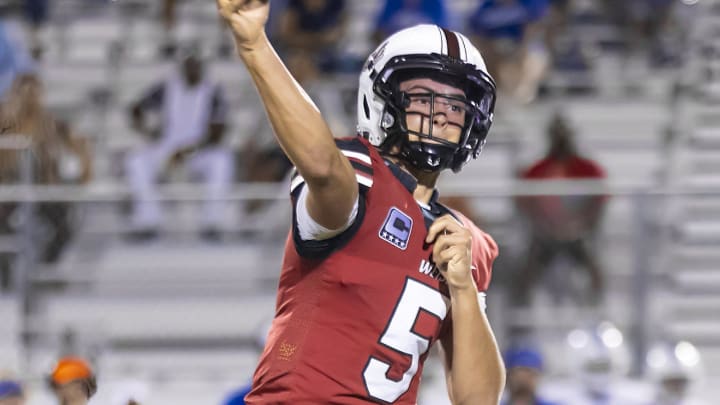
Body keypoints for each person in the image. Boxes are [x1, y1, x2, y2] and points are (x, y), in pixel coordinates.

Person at [217, 1, 504, 403]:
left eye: (456, 105)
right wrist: (254, 45)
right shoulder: (359, 175)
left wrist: (465, 289)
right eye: (424, 98)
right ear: (383, 101)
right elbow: (322, 167)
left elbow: (478, 401)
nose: (441, 115)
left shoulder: (466, 241)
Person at [124, 53, 233, 240]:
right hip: (167, 148)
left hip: (199, 151)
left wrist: (188, 151)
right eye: (188, 67)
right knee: (136, 161)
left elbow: (217, 134)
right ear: (182, 68)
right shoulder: (167, 88)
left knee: (222, 161)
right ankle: (148, 221)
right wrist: (147, 132)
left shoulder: (212, 92)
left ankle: (212, 222)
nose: (192, 71)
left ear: (202, 68)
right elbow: (135, 108)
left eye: (196, 67)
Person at [513, 113, 607, 308]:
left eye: (564, 135)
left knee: (595, 271)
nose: (561, 140)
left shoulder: (586, 168)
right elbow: (523, 200)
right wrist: (545, 225)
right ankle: (521, 321)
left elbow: (600, 198)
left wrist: (582, 224)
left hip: (579, 233)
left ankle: (595, 311)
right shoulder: (538, 169)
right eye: (557, 135)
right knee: (525, 274)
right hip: (545, 235)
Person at [276, 0, 348, 84]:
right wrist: (319, 39)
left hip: (327, 54)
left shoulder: (336, 3)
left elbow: (337, 34)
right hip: (297, 52)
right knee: (298, 63)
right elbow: (286, 36)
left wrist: (307, 39)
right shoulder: (295, 3)